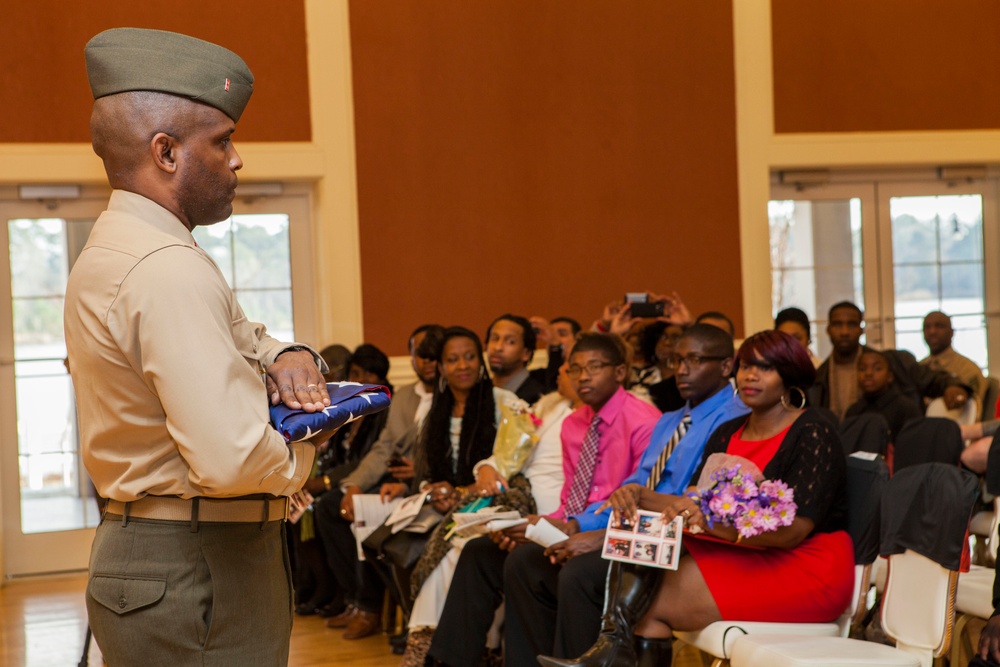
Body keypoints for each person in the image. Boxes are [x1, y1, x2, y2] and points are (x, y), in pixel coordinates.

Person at [67, 28, 330, 664]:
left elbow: (244, 336)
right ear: (165, 152)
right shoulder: (165, 267)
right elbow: (233, 460)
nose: (237, 159)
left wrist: (287, 356)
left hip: (168, 551)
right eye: (223, 141)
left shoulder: (130, 246)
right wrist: (309, 445)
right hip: (199, 564)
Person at [542, 330, 853, 667]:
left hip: (801, 564)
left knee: (650, 601)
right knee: (644, 568)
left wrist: (706, 521)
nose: (750, 375)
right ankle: (609, 651)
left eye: (765, 368)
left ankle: (609, 652)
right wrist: (641, 495)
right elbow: (694, 501)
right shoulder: (727, 431)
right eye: (746, 365)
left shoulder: (813, 430)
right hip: (739, 552)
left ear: (789, 375)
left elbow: (793, 531)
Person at [433, 332, 662, 667]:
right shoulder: (573, 424)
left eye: (594, 367)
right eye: (576, 369)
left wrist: (569, 525)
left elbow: (633, 501)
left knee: (528, 563)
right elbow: (570, 498)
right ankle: (450, 662)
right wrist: (536, 524)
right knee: (481, 551)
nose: (583, 376)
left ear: (620, 372)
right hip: (572, 524)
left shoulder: (644, 421)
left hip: (614, 533)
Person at [378, 326, 521, 657]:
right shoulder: (436, 411)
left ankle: (438, 646)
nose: (463, 366)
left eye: (470, 357)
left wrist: (461, 492)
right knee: (401, 537)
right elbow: (427, 475)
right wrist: (436, 491)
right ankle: (434, 643)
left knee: (455, 547)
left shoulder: (505, 403)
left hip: (491, 503)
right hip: (446, 508)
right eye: (453, 360)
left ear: (481, 360)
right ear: (441, 367)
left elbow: (509, 468)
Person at [810, 301, 969, 420]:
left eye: (851, 325)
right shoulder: (817, 378)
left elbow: (930, 379)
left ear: (861, 329)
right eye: (838, 325)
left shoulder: (891, 362)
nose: (844, 332)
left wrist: (953, 386)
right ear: (828, 329)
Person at [921, 310, 987, 419]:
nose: (932, 331)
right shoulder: (919, 369)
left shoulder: (968, 369)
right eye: (927, 327)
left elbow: (973, 412)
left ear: (952, 332)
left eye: (939, 326)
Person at [844, 349, 921, 442]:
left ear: (890, 377)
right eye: (862, 369)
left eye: (877, 368)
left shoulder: (906, 408)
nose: (868, 373)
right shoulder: (853, 411)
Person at [486, 313, 546, 404]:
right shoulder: (479, 391)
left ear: (526, 353)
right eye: (495, 338)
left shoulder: (538, 397)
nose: (498, 347)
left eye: (510, 342)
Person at [530, 316, 583, 393]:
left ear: (577, 340)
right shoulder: (537, 376)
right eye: (552, 336)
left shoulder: (583, 374)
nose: (555, 340)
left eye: (562, 334)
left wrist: (556, 347)